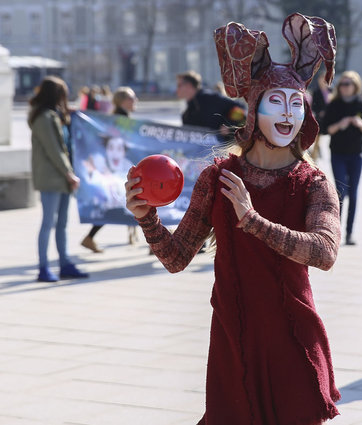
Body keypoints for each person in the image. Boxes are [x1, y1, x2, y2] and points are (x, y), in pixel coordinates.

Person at [125, 14, 340, 424]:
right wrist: (147, 218)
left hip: (291, 340)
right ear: (254, 106)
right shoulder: (217, 178)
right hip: (234, 337)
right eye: (276, 101)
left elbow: (326, 252)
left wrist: (253, 220)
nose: (287, 112)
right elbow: (176, 258)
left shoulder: (312, 182)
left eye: (296, 103)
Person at [29, 76, 89, 282]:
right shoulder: (44, 118)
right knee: (48, 223)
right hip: (52, 177)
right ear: (55, 95)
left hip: (62, 177)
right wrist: (69, 173)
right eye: (63, 93)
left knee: (62, 223)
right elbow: (54, 150)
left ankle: (64, 262)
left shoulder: (54, 115)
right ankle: (43, 267)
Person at [81, 87, 139, 253]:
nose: (135, 101)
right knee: (127, 203)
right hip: (117, 169)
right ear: (122, 101)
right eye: (132, 98)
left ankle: (90, 237)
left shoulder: (118, 117)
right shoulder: (120, 119)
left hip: (119, 168)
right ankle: (89, 237)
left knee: (123, 204)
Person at [322, 71, 362, 246]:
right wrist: (339, 125)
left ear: (355, 86)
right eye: (342, 84)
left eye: (348, 84)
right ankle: (337, 231)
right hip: (338, 154)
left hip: (356, 155)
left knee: (354, 193)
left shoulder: (361, 105)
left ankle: (350, 233)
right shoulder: (334, 105)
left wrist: (360, 124)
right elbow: (324, 129)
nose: (345, 87)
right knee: (340, 193)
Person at [176, 70, 247, 143]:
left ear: (189, 86)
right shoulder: (187, 114)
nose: (176, 90)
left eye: (179, 85)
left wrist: (230, 125)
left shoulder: (210, 98)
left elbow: (240, 108)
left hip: (224, 149)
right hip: (203, 151)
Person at [309, 71, 332, 161]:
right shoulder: (316, 92)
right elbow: (314, 106)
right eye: (321, 79)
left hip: (330, 119)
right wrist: (320, 112)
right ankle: (314, 156)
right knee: (317, 139)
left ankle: (319, 153)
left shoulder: (331, 91)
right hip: (320, 119)